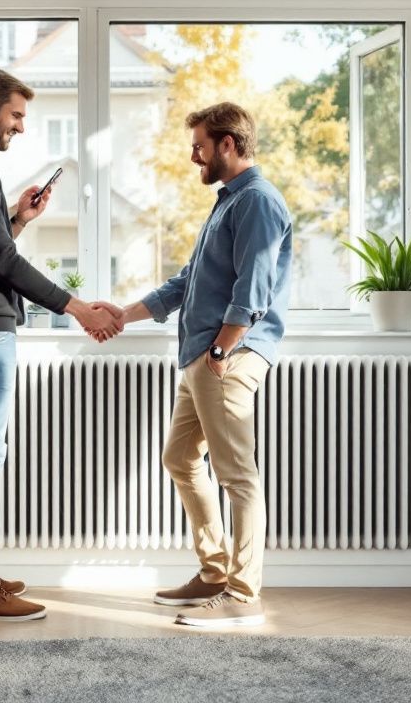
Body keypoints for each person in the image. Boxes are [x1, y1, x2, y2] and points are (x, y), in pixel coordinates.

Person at [0, 69, 121, 621]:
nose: (21, 127)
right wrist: (76, 306)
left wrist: (18, 217)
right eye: (16, 116)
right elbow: (2, 264)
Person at [97, 102, 292, 627]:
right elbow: (186, 283)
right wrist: (124, 313)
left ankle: (243, 592)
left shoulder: (256, 203)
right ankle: (212, 572)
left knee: (237, 476)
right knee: (180, 458)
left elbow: (254, 289)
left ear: (228, 144)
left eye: (200, 146)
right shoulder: (227, 204)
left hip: (226, 357)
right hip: (203, 356)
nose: (193, 157)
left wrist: (223, 352)